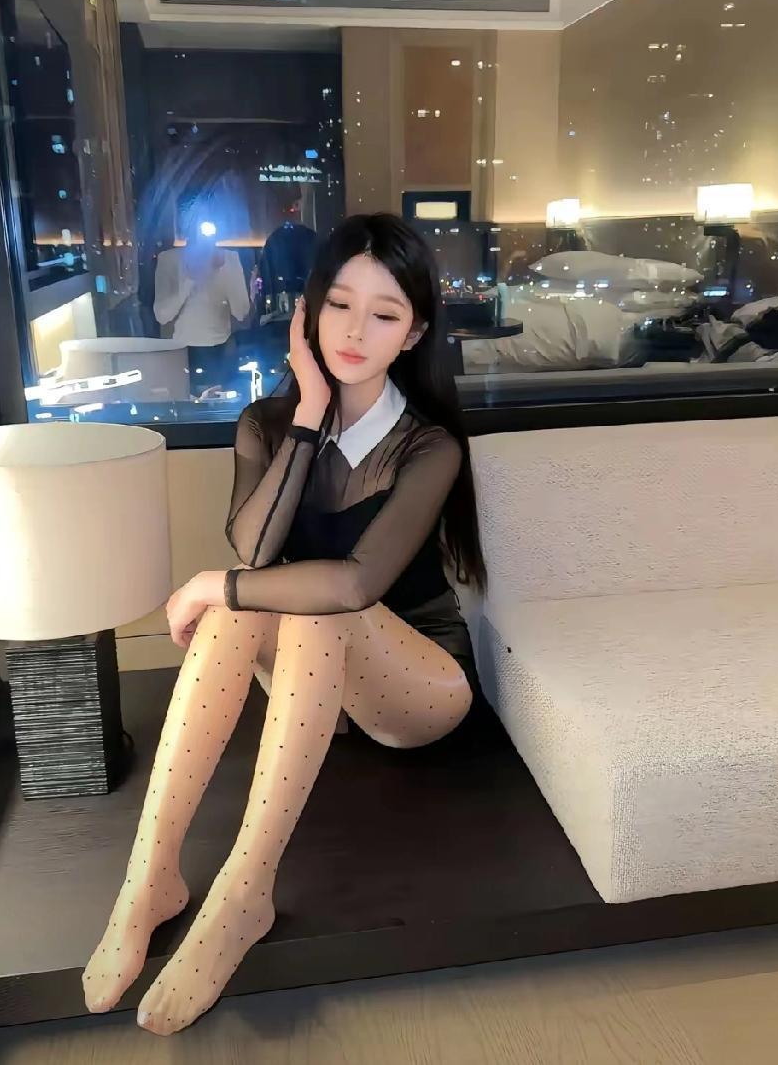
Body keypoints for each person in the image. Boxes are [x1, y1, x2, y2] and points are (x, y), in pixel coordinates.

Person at [82, 213, 488, 1036]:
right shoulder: (265, 423)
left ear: (413, 333)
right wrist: (308, 412)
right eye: (339, 304)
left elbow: (354, 583)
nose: (355, 331)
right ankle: (150, 875)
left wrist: (213, 583)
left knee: (300, 604)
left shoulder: (428, 446)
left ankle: (245, 889)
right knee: (252, 607)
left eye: (384, 313)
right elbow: (255, 548)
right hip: (314, 680)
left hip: (418, 683)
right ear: (307, 309)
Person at [153, 214, 251, 394]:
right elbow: (162, 315)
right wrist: (190, 279)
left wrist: (224, 272)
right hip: (182, 351)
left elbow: (241, 311)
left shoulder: (229, 260)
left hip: (221, 350)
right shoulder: (170, 260)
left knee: (222, 400)